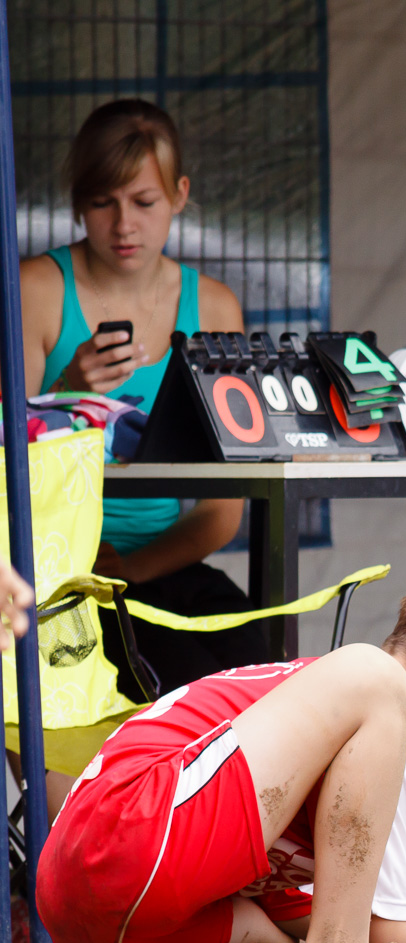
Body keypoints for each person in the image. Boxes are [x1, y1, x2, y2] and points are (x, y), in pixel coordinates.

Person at [36, 560, 406, 943]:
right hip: (134, 829)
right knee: (378, 677)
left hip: (86, 900)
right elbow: (380, 924)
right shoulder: (376, 702)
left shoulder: (317, 734)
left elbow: (356, 917)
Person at [18, 99, 268, 695]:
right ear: (78, 202)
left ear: (180, 195)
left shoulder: (213, 307)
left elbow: (221, 511)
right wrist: (65, 395)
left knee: (258, 663)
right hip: (49, 571)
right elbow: (9, 467)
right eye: (103, 202)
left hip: (159, 570)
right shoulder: (37, 289)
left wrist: (130, 569)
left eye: (144, 202)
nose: (123, 224)